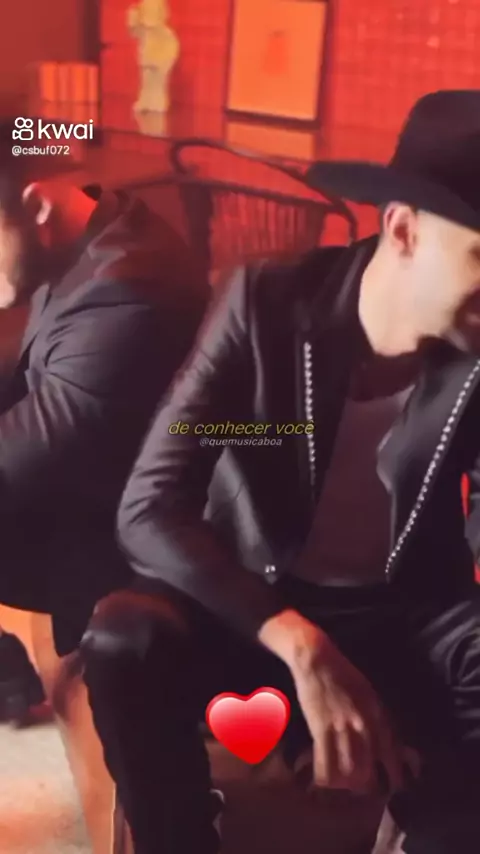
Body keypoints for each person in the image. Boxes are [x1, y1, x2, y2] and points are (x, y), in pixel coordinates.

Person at [83, 90, 480, 854]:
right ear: (403, 230)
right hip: (253, 605)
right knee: (124, 637)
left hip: (401, 618)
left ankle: (432, 828)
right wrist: (299, 642)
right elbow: (151, 504)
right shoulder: (264, 302)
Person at [0, 119, 208, 724]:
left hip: (128, 543)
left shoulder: (129, 291)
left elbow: (25, 457)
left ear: (38, 206)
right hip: (85, 481)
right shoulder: (95, 225)